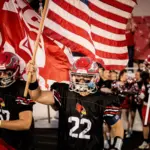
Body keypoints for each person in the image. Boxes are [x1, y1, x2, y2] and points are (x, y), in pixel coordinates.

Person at [27, 57, 124, 150]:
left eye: (86, 77)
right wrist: (33, 78)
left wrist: (117, 146)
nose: (81, 81)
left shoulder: (102, 99)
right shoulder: (64, 93)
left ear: (95, 78)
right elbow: (37, 96)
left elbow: (117, 126)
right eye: (77, 77)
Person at [0, 52, 35, 150]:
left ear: (15, 71)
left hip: (19, 143)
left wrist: (0, 123)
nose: (2, 76)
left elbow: (25, 123)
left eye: (7, 72)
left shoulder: (22, 88)